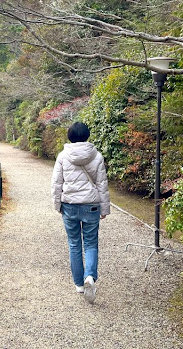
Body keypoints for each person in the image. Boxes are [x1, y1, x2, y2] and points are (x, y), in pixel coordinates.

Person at [51, 122, 110, 303]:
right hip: (91, 205)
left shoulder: (63, 156)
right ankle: (90, 276)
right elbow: (102, 183)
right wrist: (104, 208)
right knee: (91, 244)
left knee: (74, 244)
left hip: (69, 205)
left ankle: (79, 284)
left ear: (70, 136)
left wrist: (57, 205)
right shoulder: (97, 156)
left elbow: (57, 183)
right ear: (87, 135)